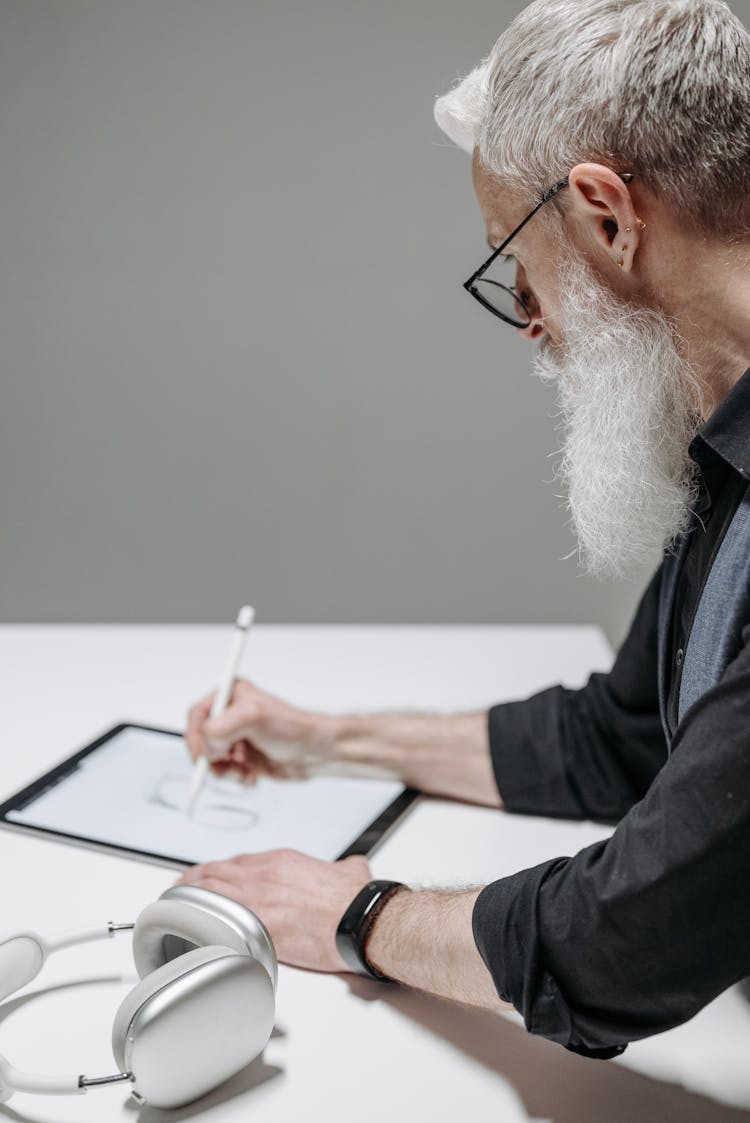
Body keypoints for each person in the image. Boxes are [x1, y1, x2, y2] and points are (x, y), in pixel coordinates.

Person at [179, 0, 750, 1058]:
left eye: (517, 263)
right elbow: (620, 740)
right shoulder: (722, 446)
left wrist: (356, 916)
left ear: (608, 216)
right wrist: (325, 740)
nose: (531, 323)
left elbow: (628, 941)